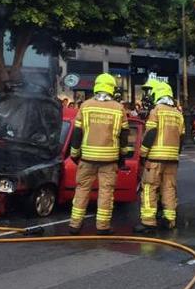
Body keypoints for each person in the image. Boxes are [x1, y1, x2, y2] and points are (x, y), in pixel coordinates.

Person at [67, 73, 130, 235]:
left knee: (81, 190)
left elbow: (77, 133)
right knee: (106, 192)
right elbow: (124, 137)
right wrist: (123, 157)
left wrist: (74, 154)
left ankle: (74, 225)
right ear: (111, 88)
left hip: (87, 157)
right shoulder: (118, 108)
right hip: (109, 159)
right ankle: (102, 226)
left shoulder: (86, 106)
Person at [134, 82, 184, 233]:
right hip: (172, 159)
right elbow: (181, 138)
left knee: (149, 187)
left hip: (155, 157)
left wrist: (142, 153)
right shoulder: (178, 114)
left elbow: (150, 133)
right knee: (169, 188)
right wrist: (176, 154)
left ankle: (148, 222)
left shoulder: (156, 111)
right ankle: (169, 219)